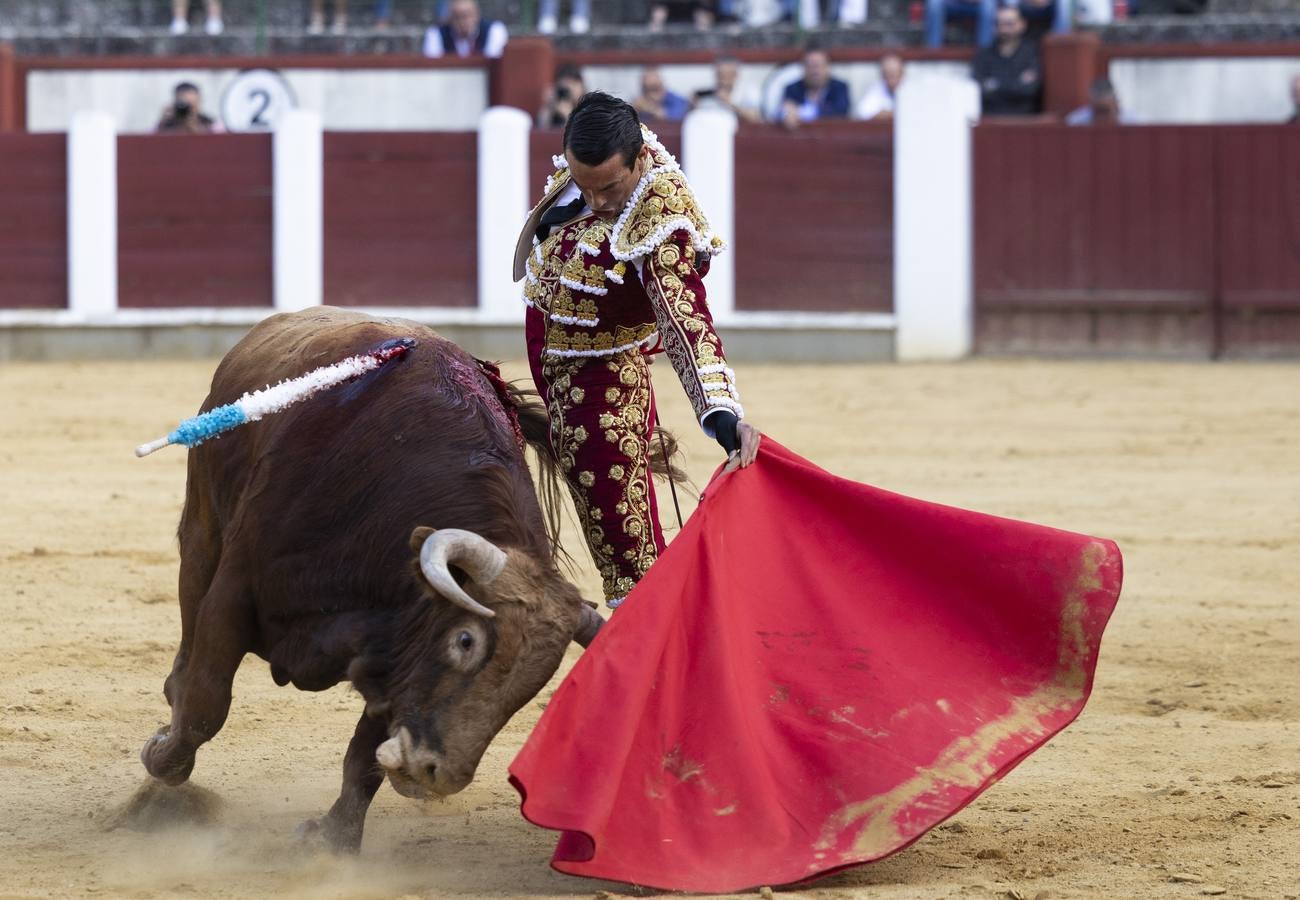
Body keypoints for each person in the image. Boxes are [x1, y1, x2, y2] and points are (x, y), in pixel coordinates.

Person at [513, 92, 760, 608]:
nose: (598, 200)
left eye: (609, 187)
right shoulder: (600, 161)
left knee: (630, 565)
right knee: (626, 543)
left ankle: (660, 670)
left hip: (602, 391)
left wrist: (720, 416)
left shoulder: (659, 220)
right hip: (562, 374)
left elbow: (684, 319)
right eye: (584, 185)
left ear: (640, 159)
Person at [971, 6, 1042, 116]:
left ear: (1022, 24)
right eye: (999, 24)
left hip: (1024, 118)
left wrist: (995, 84)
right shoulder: (983, 54)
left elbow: (1030, 90)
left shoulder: (1032, 53)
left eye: (1009, 24)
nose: (1004, 29)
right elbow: (978, 90)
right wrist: (1017, 83)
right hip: (991, 118)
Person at [780, 46, 851, 129]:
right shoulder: (792, 88)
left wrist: (801, 112)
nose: (815, 71)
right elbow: (783, 112)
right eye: (810, 66)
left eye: (818, 66)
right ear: (803, 68)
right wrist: (786, 113)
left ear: (827, 67)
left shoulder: (840, 88)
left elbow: (840, 112)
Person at [422, 0, 508, 59]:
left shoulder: (494, 30)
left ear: (477, 14)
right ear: (450, 18)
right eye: (458, 17)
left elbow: (493, 60)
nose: (463, 21)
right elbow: (433, 63)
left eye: (468, 15)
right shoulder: (436, 34)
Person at [692, 56, 762, 123]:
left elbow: (756, 117)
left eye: (729, 74)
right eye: (721, 75)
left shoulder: (749, 91)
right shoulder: (707, 94)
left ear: (736, 74)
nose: (724, 79)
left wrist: (730, 104)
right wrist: (692, 105)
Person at [155, 82, 222, 134]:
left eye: (193, 106)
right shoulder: (167, 125)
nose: (189, 111)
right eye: (186, 106)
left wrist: (195, 128)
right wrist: (162, 122)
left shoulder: (211, 124)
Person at [1065, 77, 1137, 125]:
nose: (1102, 116)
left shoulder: (1132, 119)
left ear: (1114, 100)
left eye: (1105, 109)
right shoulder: (1077, 120)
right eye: (1099, 110)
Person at [856, 53, 904, 121]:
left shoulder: (912, 88)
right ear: (882, 75)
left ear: (902, 74)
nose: (892, 79)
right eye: (889, 74)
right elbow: (862, 113)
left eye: (896, 74)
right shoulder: (876, 89)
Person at [538, 64, 587, 129]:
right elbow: (542, 130)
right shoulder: (555, 106)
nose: (571, 88)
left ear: (582, 86)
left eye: (574, 83)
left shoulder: (589, 108)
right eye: (566, 83)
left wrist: (568, 116)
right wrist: (548, 106)